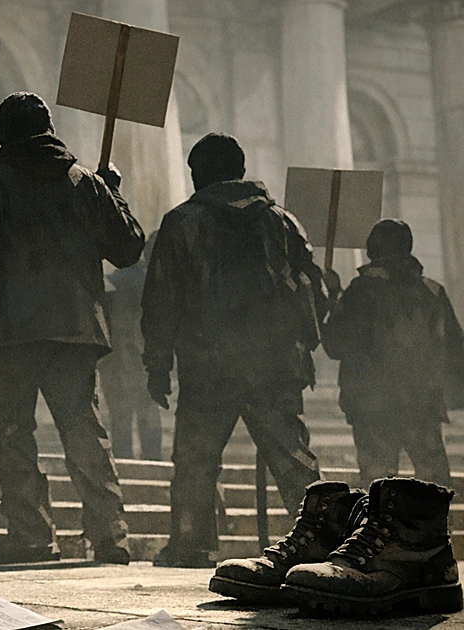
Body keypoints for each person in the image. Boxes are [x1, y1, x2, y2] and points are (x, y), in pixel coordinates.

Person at [0, 92, 142, 564]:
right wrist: (111, 192)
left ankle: (31, 534)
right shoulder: (84, 183)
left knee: (12, 432)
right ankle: (110, 534)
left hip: (7, 332)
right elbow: (129, 247)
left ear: (2, 135)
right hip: (75, 329)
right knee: (83, 430)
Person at [142, 132, 325, 568]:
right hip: (274, 363)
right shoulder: (283, 221)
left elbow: (161, 300)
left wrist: (157, 364)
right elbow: (311, 290)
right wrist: (306, 346)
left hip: (209, 365)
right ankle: (324, 538)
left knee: (195, 462)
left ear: (200, 174)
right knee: (294, 460)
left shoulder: (181, 222)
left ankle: (191, 544)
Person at [322, 219, 462, 487]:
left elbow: (337, 345)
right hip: (422, 405)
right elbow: (455, 350)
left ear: (372, 250)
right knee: (433, 488)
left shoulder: (361, 291)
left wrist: (333, 299)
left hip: (372, 408)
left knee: (378, 488)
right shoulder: (431, 292)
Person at [99, 232, 162, 460]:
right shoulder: (152, 283)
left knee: (120, 414)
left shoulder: (111, 283)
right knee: (148, 410)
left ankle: (123, 459)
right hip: (144, 356)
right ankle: (152, 460)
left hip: (114, 359)